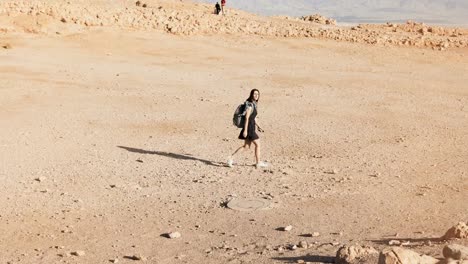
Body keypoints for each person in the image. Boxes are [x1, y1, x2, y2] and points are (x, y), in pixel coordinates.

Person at [228, 89, 267, 169]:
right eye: (254, 94)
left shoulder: (254, 104)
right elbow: (247, 118)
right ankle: (258, 162)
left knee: (246, 147)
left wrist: (259, 126)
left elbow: (254, 118)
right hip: (249, 127)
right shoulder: (249, 105)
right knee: (258, 144)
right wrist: (245, 130)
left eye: (257, 94)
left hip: (251, 126)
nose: (256, 95)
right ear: (251, 95)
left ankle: (231, 158)